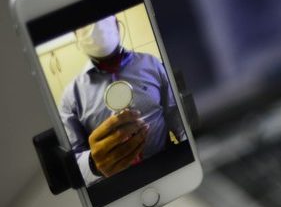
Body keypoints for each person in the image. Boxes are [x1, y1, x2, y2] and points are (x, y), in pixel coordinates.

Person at [59, 15, 186, 185]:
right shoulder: (70, 97)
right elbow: (74, 162)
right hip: (118, 186)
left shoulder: (153, 64)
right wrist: (93, 164)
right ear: (76, 37)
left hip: (168, 169)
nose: (97, 27)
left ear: (118, 25)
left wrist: (189, 151)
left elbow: (175, 114)